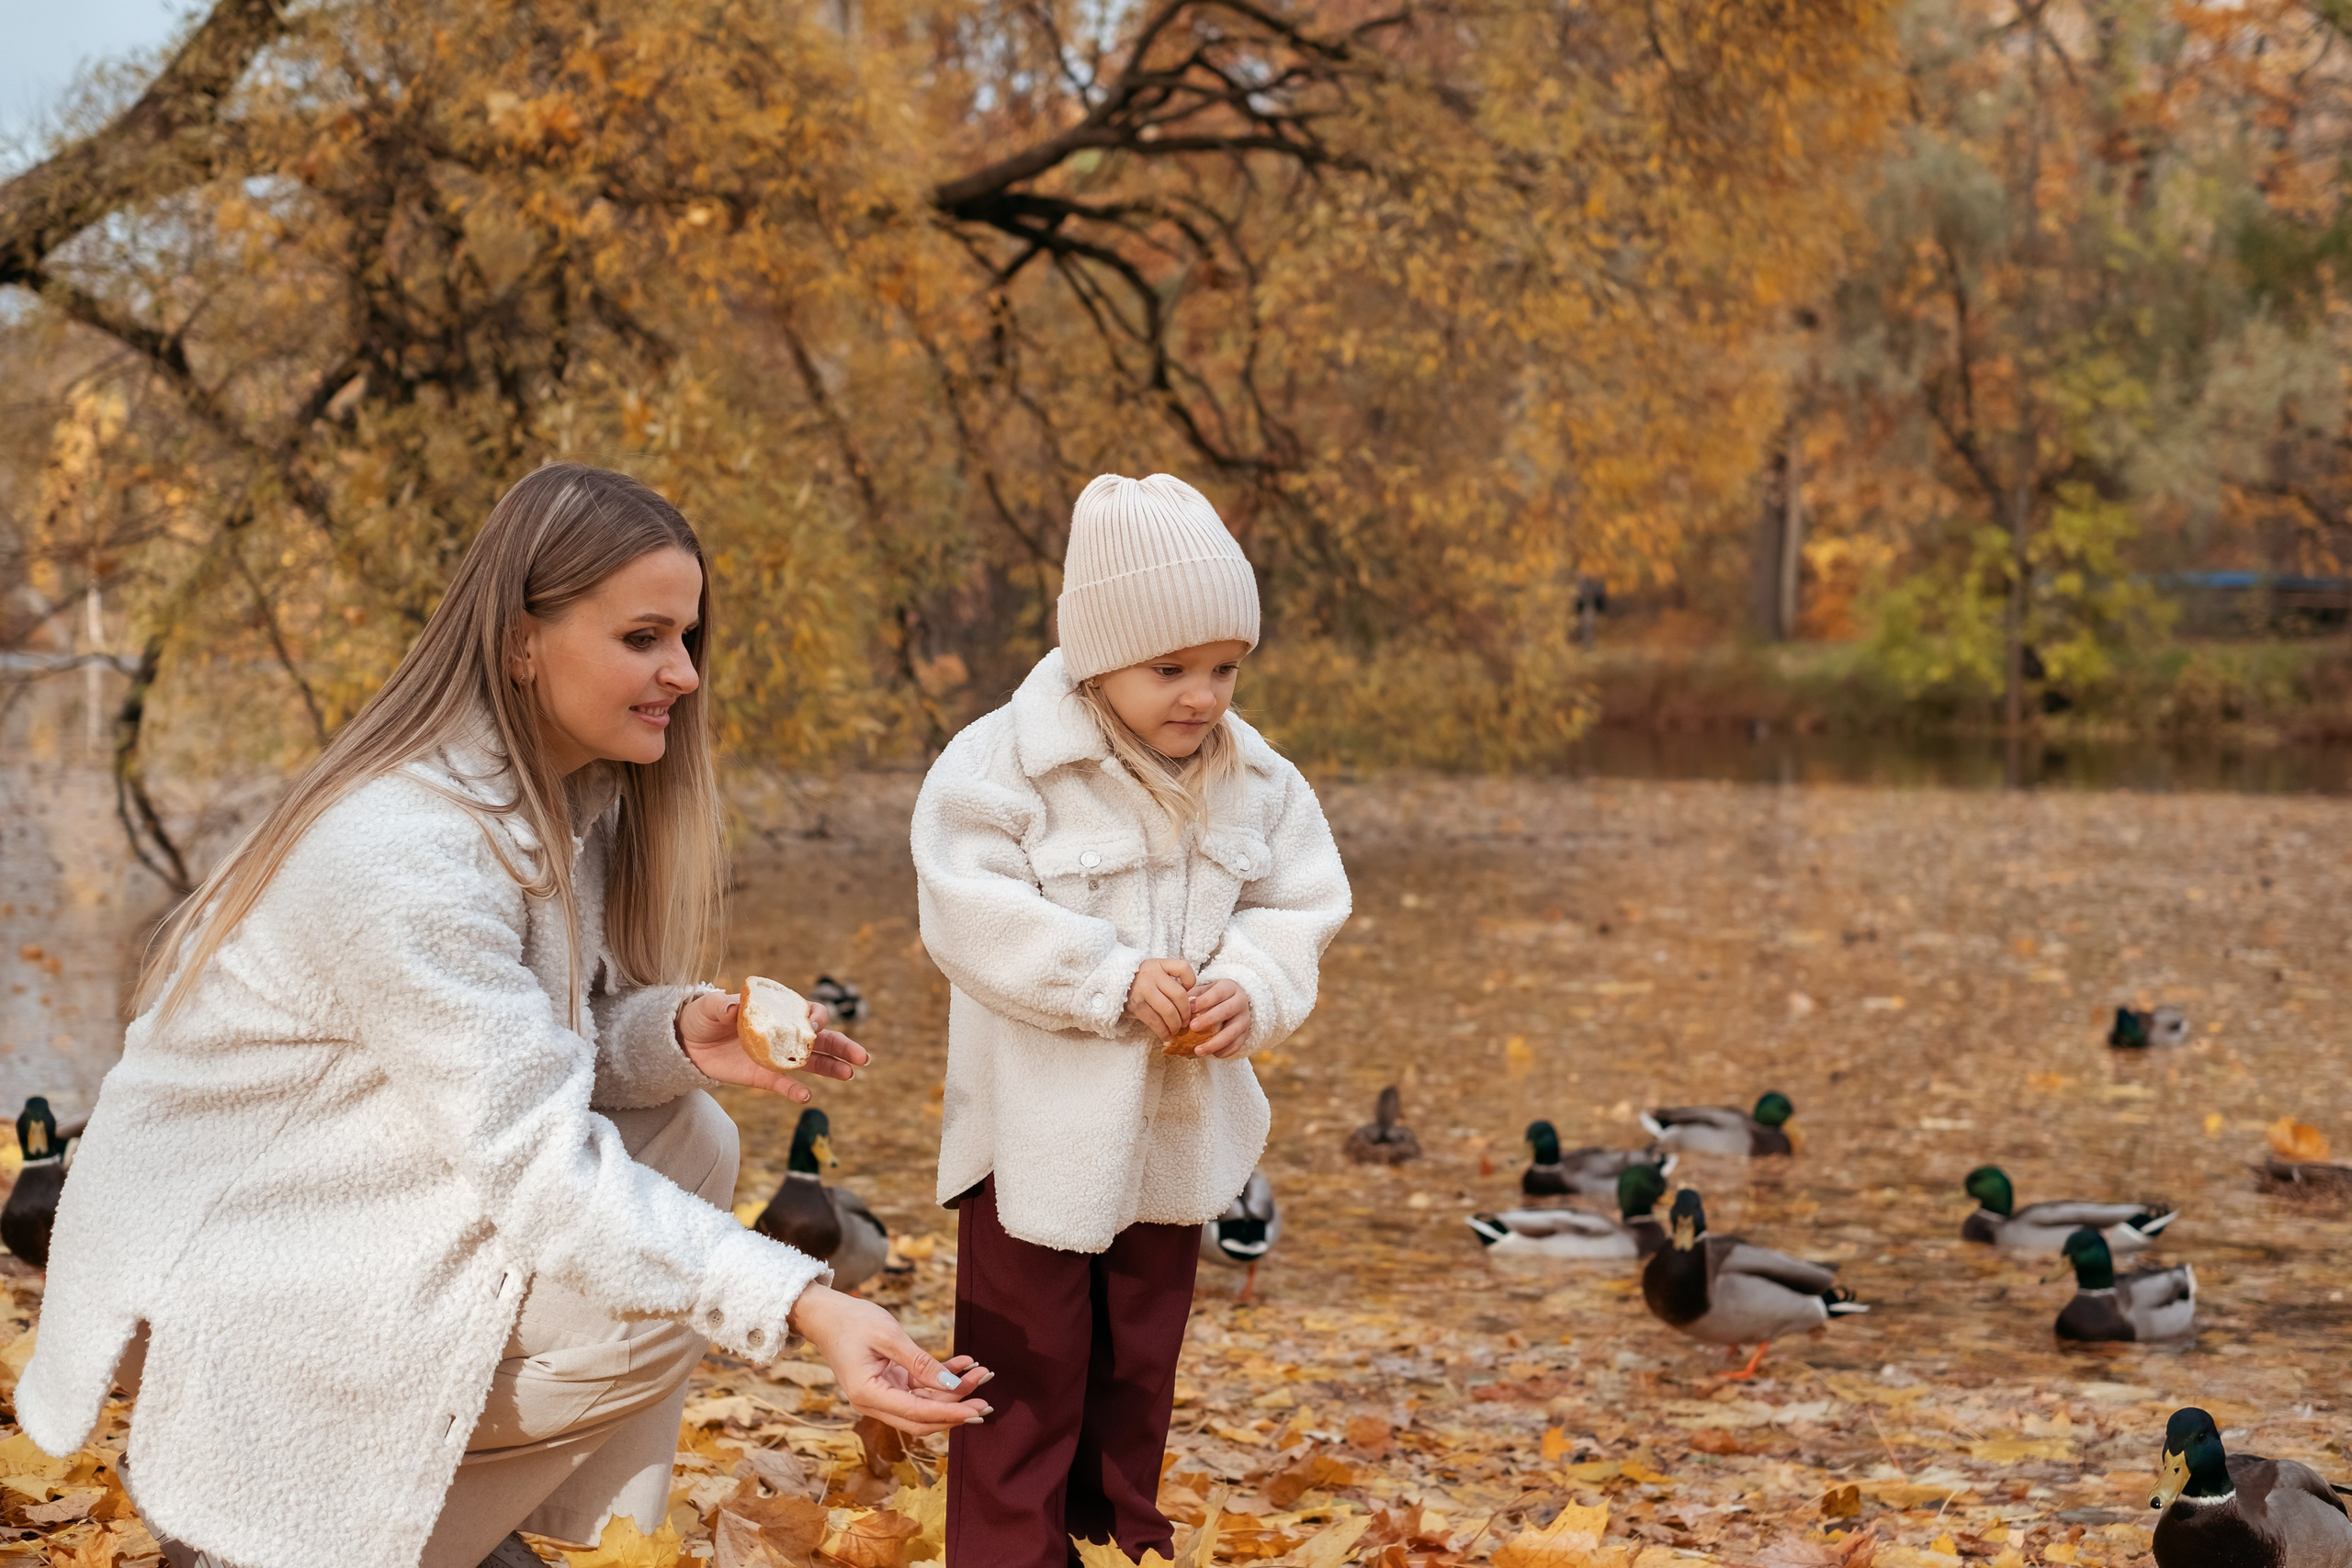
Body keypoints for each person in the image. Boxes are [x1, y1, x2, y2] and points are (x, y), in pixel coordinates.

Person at [20, 464, 990, 1568]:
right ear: (523, 640)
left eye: (686, 637)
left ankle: (452, 1526)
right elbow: (542, 1179)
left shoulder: (561, 801)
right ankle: (304, 1530)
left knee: (690, 1135)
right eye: (643, 637)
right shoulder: (405, 853)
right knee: (658, 1297)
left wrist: (673, 1035)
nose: (682, 671)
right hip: (221, 1270)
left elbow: (546, 1046)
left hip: (335, 1211)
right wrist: (811, 1305)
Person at [911, 472, 1352, 1565]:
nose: (1201, 696)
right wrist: (1105, 978)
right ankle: (1009, 1552)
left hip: (1172, 1131)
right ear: (1094, 653)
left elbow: (1298, 906)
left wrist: (1247, 987)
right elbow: (967, 910)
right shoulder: (1003, 766)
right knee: (1024, 1372)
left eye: (1223, 669)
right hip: (1031, 1142)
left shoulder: (1258, 782)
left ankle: (1116, 1541)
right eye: (1170, 669)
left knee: (1135, 1368)